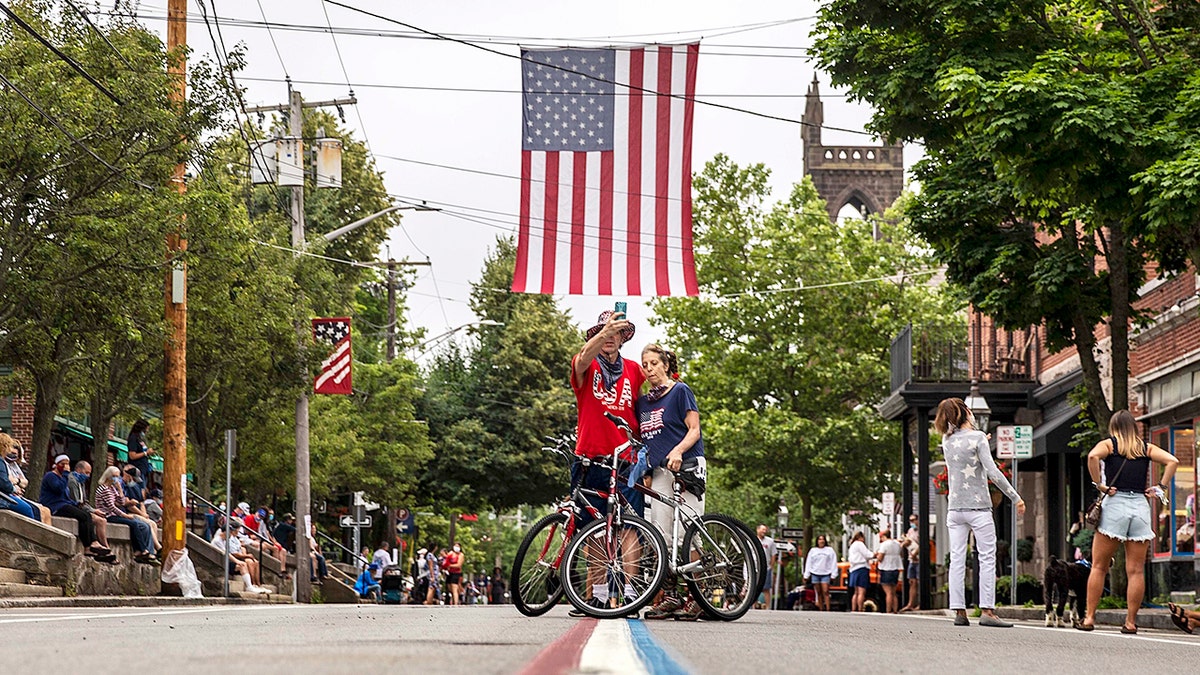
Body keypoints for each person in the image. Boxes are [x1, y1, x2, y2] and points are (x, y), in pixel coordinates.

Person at [567, 309, 646, 618]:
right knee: (593, 531)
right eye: (604, 332)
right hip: (589, 459)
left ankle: (630, 596)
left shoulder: (635, 370)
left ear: (623, 338)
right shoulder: (584, 367)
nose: (610, 338)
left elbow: (659, 391)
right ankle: (596, 598)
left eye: (616, 333)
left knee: (630, 529)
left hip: (626, 460)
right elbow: (582, 359)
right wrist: (603, 331)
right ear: (596, 336)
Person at [1076, 409, 1178, 633]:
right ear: (1133, 426)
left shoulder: (1110, 445)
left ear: (1114, 427)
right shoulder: (1145, 447)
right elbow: (1172, 460)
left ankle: (1090, 618)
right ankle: (1131, 622)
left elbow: (1092, 456)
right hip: (1140, 506)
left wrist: (1099, 484)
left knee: (1099, 566)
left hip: (1115, 504)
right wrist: (1160, 487)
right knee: (1136, 571)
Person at [934, 397, 1025, 628]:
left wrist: (980, 439)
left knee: (956, 559)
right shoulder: (977, 438)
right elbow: (992, 472)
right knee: (986, 557)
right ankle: (987, 611)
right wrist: (1015, 497)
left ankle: (960, 612)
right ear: (965, 413)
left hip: (955, 509)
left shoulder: (947, 440)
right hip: (978, 508)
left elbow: (963, 452)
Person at [635, 344, 706, 621]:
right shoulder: (643, 403)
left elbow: (694, 429)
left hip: (686, 466)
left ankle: (697, 596)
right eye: (645, 365)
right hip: (661, 472)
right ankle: (671, 596)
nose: (649, 369)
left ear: (665, 365)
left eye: (654, 363)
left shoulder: (680, 391)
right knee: (661, 534)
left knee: (688, 531)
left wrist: (677, 450)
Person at [39, 454, 114, 560]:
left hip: (64, 504)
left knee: (86, 515)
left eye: (67, 464)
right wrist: (65, 474)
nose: (65, 466)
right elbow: (58, 489)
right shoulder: (51, 476)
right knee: (83, 516)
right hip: (55, 506)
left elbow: (66, 497)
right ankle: (91, 543)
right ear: (56, 465)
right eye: (62, 464)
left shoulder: (63, 478)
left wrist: (76, 504)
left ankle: (90, 545)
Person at [94, 466, 156, 564]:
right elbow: (111, 507)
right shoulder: (104, 489)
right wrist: (125, 516)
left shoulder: (113, 488)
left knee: (136, 523)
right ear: (108, 476)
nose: (116, 479)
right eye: (114, 476)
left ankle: (139, 550)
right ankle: (142, 549)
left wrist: (120, 490)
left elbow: (121, 502)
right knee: (133, 523)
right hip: (108, 515)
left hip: (115, 513)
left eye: (118, 476)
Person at [1, 434, 51, 524]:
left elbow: (25, 482)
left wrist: (16, 481)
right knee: (29, 509)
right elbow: (6, 482)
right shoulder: (1, 462)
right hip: (5, 498)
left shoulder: (12, 465)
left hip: (9, 495)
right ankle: (34, 534)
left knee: (45, 510)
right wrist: (15, 488)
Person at [212, 522, 267, 594]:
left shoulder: (224, 541)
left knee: (243, 565)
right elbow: (227, 553)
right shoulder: (217, 540)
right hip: (220, 562)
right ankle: (250, 585)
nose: (231, 535)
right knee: (243, 564)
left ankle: (251, 586)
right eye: (230, 533)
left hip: (225, 561)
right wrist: (237, 561)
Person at [805, 534, 837, 611]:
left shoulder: (829, 550)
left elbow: (833, 562)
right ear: (817, 541)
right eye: (819, 539)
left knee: (825, 591)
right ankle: (821, 608)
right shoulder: (813, 551)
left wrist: (834, 574)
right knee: (818, 592)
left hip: (826, 573)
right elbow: (809, 562)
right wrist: (806, 574)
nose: (821, 541)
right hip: (815, 573)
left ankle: (828, 608)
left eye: (823, 539)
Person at [875, 529, 904, 613]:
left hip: (886, 568)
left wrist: (877, 557)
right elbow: (901, 554)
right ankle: (895, 609)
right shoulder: (897, 544)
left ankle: (888, 610)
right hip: (896, 568)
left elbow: (880, 558)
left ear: (884, 536)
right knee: (894, 592)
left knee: (888, 593)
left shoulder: (884, 545)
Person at [847, 531, 873, 612]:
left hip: (853, 569)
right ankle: (860, 608)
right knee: (861, 591)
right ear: (861, 537)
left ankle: (854, 608)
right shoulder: (860, 544)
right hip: (862, 568)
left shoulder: (852, 546)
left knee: (856, 592)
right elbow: (867, 554)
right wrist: (874, 554)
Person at [900, 515, 921, 612]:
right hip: (911, 559)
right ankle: (910, 604)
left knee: (919, 581)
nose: (912, 522)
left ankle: (920, 603)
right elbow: (907, 541)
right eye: (910, 520)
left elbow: (923, 544)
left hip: (918, 559)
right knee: (912, 582)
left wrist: (915, 553)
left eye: (913, 520)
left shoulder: (921, 530)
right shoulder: (910, 531)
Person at [125, 419, 154, 490]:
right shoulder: (133, 438)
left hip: (144, 469)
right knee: (139, 489)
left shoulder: (140, 439)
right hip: (137, 470)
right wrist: (145, 453)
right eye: (146, 429)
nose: (147, 431)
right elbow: (132, 455)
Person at [757, 524, 777, 609]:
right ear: (757, 530)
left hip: (766, 568)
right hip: (755, 567)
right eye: (762, 529)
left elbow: (773, 554)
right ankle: (753, 607)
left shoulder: (770, 541)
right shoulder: (752, 540)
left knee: (766, 588)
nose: (764, 531)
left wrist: (771, 566)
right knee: (754, 588)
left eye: (765, 530)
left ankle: (768, 607)